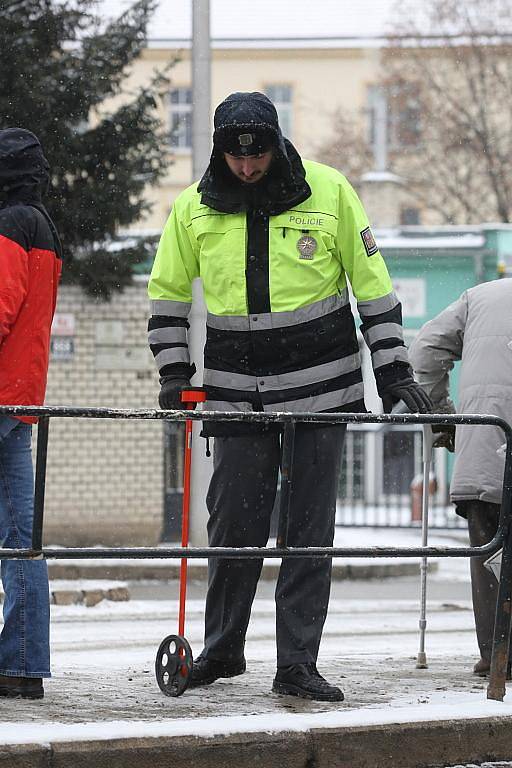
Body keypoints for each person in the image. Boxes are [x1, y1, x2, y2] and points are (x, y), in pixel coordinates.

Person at [148, 91, 431, 701]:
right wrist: (174, 372)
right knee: (233, 530)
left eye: (257, 157)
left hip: (321, 392)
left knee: (307, 535)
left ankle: (297, 663)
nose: (247, 169)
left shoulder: (329, 192)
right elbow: (167, 294)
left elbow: (373, 287)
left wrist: (393, 369)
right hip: (235, 395)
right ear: (219, 151)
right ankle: (222, 651)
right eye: (234, 158)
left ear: (277, 146)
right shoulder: (192, 208)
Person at [409, 278, 512, 679]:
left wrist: (444, 421)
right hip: (489, 442)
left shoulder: (480, 297)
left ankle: (495, 653)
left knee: (490, 551)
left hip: (487, 443)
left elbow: (424, 351)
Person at [0, 128, 63, 699]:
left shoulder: (8, 224)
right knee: (21, 535)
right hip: (21, 396)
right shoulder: (41, 222)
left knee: (18, 533)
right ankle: (20, 664)